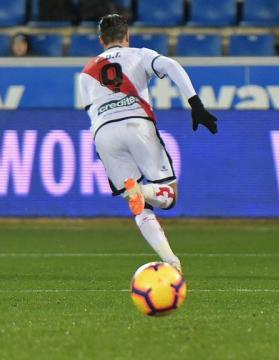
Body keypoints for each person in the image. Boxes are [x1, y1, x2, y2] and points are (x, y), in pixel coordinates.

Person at [77, 14, 218, 273]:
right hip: (136, 124)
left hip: (103, 133)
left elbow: (91, 110)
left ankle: (171, 261)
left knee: (138, 205)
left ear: (101, 41)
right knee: (169, 195)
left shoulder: (86, 73)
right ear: (127, 36)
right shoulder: (139, 55)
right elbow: (172, 66)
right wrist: (195, 105)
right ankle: (144, 191)